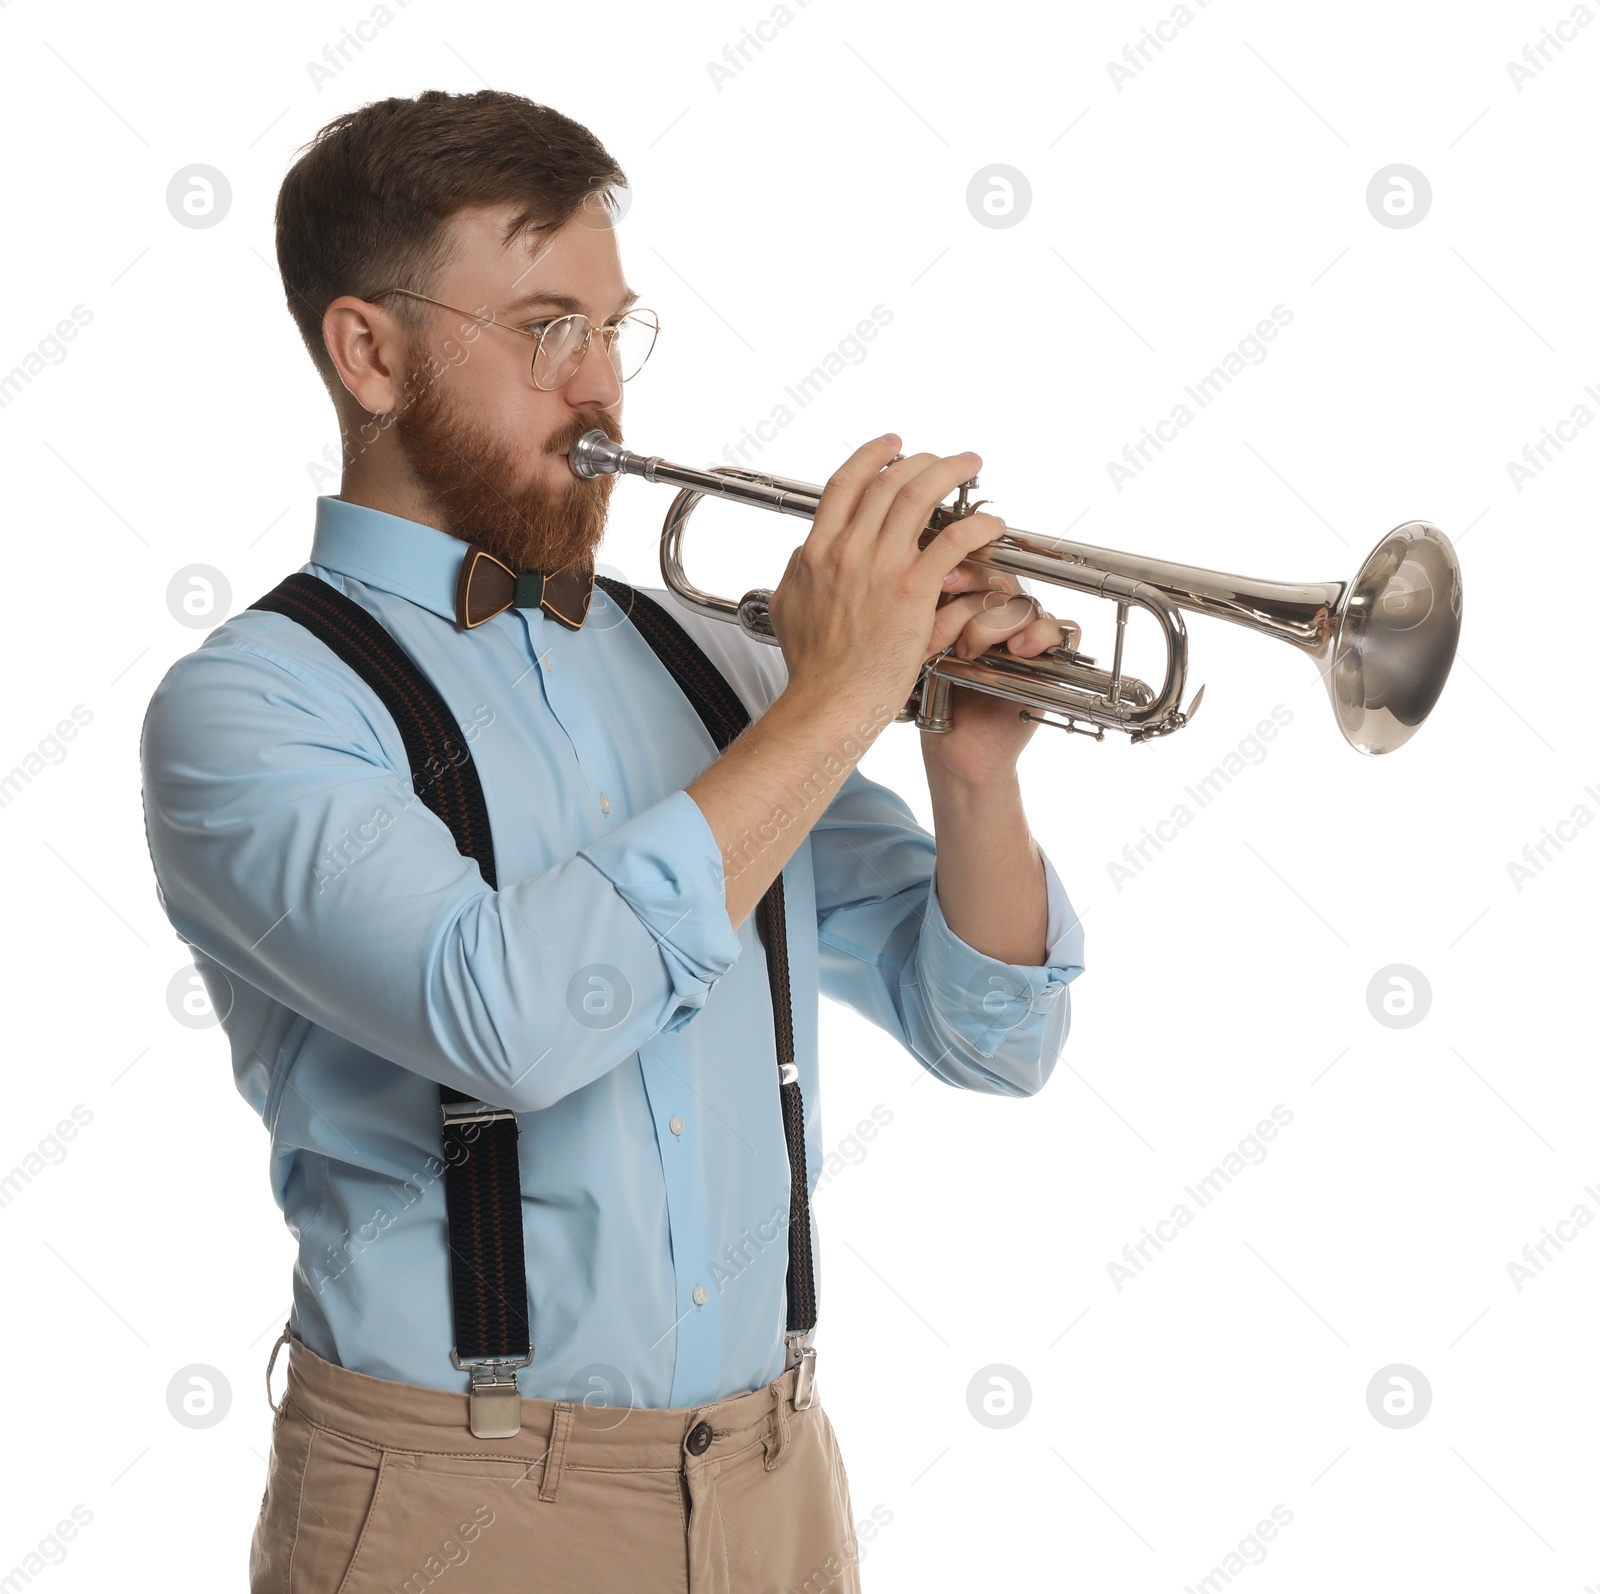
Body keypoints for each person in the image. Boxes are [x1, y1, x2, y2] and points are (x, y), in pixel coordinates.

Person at [139, 88, 1087, 1594]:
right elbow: (508, 1017)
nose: (600, 390)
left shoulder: (714, 667)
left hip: (777, 1475)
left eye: (613, 328)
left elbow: (988, 1035)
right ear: (367, 351)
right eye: (541, 328)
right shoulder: (251, 706)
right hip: (454, 1497)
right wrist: (832, 696)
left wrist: (971, 771)